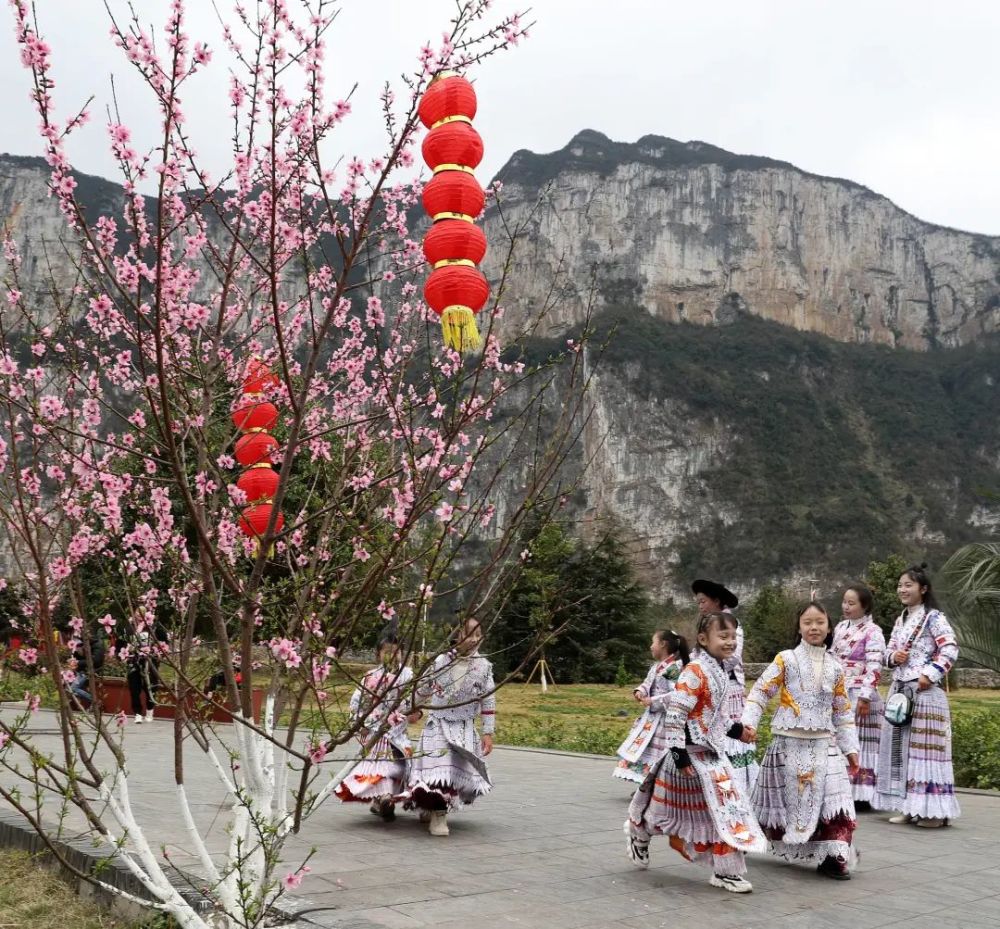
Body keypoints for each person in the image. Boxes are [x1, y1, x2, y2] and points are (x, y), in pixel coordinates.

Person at [624, 611, 766, 894]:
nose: (729, 642)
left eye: (732, 637)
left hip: (711, 755)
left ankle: (726, 871)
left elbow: (716, 717)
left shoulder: (720, 672)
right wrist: (679, 756)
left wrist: (739, 731)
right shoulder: (695, 671)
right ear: (703, 639)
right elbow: (676, 715)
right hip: (685, 757)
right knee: (661, 813)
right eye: (722, 636)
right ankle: (638, 833)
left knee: (725, 810)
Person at [741, 601, 860, 879]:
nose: (814, 627)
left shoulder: (836, 669)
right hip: (786, 743)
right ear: (799, 627)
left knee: (836, 800)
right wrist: (748, 724)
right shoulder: (785, 659)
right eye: (807, 622)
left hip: (824, 743)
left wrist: (850, 747)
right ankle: (742, 842)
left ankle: (833, 858)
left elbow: (842, 711)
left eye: (819, 621)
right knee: (773, 802)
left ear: (829, 627)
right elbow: (760, 692)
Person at [872, 564, 960, 827]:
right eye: (900, 585)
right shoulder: (901, 619)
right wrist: (893, 657)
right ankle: (910, 806)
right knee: (902, 751)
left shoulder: (934, 617)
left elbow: (950, 649)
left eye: (908, 585)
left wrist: (930, 674)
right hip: (901, 691)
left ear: (923, 589)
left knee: (925, 753)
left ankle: (934, 812)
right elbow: (886, 653)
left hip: (924, 694)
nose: (902, 589)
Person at [404, 616, 495, 836]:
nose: (474, 639)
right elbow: (424, 687)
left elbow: (489, 699)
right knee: (436, 768)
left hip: (463, 728)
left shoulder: (484, 666)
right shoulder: (440, 661)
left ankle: (437, 810)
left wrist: (488, 731)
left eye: (478, 634)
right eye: (468, 633)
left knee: (451, 774)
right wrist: (412, 707)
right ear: (456, 635)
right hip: (438, 725)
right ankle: (435, 811)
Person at [335, 634, 419, 821]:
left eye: (397, 652)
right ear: (378, 654)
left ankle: (382, 801)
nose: (392, 655)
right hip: (376, 734)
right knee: (381, 769)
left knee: (398, 768)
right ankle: (384, 800)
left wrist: (417, 712)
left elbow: (417, 700)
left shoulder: (409, 676)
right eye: (387, 652)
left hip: (397, 735)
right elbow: (356, 703)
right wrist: (360, 723)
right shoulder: (371, 677)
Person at [691, 579, 758, 793]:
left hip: (727, 687)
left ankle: (736, 787)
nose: (700, 606)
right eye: (698, 602)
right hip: (710, 685)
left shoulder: (730, 623)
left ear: (716, 601)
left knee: (728, 731)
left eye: (703, 601)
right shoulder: (707, 624)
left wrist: (705, 666)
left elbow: (731, 657)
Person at [831, 584, 886, 807]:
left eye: (852, 603)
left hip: (860, 692)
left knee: (861, 742)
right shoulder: (840, 627)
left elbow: (874, 666)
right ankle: (844, 789)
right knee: (843, 738)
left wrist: (865, 696)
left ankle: (863, 794)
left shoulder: (873, 632)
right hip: (841, 689)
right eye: (844, 602)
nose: (846, 606)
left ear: (865, 606)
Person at [613, 629, 689, 784]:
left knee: (658, 754)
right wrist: (640, 692)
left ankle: (657, 785)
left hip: (664, 722)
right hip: (650, 720)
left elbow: (676, 694)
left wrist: (653, 700)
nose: (650, 646)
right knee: (644, 750)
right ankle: (646, 784)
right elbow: (647, 683)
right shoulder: (656, 667)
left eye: (653, 642)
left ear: (663, 644)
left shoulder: (673, 669)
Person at [126, 627, 161, 724]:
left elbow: (163, 643)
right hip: (134, 660)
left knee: (151, 687)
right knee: (134, 688)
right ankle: (138, 713)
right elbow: (122, 644)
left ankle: (150, 710)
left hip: (150, 661)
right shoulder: (130, 627)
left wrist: (156, 652)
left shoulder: (153, 626)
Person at [69, 630, 107, 708]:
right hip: (83, 670)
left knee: (73, 688)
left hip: (91, 671)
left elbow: (95, 660)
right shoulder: (85, 644)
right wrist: (78, 653)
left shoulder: (97, 645)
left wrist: (79, 662)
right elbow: (82, 658)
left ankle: (95, 701)